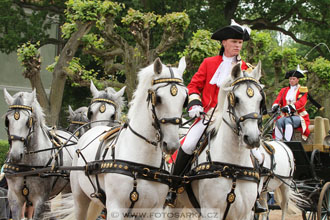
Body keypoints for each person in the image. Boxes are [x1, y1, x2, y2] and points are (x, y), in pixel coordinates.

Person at [165, 19, 267, 213]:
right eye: (234, 41)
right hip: (209, 115)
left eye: (240, 42)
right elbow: (194, 86)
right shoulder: (209, 63)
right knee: (187, 144)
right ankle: (174, 187)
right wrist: (195, 103)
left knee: (258, 155)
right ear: (224, 43)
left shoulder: (247, 67)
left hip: (237, 119)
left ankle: (256, 197)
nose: (238, 45)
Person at [271, 65, 310, 141]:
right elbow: (278, 100)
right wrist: (276, 106)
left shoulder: (302, 90)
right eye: (290, 79)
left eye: (293, 79)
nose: (291, 80)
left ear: (297, 80)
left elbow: (301, 103)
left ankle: (287, 142)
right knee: (278, 121)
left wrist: (289, 107)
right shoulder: (284, 90)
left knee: (288, 120)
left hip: (299, 115)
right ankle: (278, 141)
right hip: (286, 115)